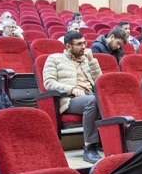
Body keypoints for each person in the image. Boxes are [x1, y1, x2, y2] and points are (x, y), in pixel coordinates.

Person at [43, 30, 103, 164]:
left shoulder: (87, 60)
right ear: (68, 46)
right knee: (92, 101)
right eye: (79, 44)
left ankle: (115, 141)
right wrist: (72, 89)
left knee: (108, 99)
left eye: (84, 43)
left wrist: (92, 61)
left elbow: (100, 81)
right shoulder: (54, 59)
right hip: (69, 99)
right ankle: (90, 147)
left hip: (90, 95)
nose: (84, 47)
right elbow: (49, 83)